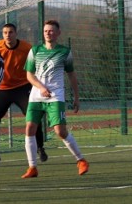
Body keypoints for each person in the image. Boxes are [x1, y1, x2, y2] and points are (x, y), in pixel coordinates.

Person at [21, 20, 89, 178]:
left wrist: (77, 97)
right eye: (46, 31)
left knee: (60, 131)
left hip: (56, 96)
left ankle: (81, 160)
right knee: (29, 129)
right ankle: (32, 167)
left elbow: (71, 75)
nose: (48, 33)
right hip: (36, 96)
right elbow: (29, 75)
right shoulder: (35, 50)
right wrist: (41, 87)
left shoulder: (65, 52)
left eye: (51, 31)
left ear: (58, 33)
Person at [0, 23, 47, 168]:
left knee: (33, 117)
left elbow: (36, 66)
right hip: (2, 89)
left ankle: (40, 147)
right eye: (5, 32)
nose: (8, 35)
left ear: (16, 33)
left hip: (22, 88)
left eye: (11, 32)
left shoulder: (27, 48)